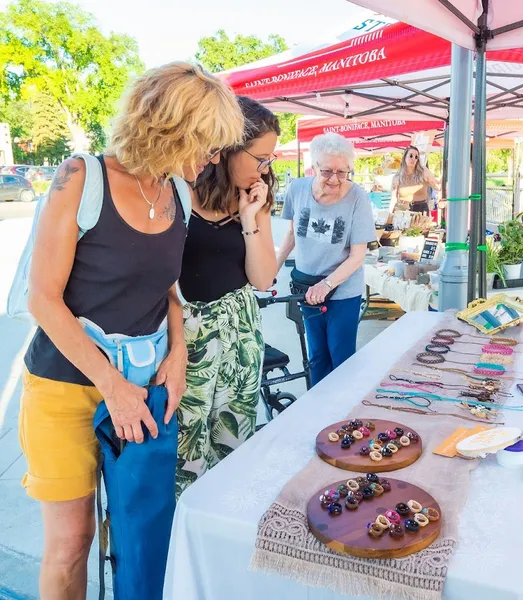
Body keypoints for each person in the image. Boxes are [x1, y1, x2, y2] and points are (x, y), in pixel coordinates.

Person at [19, 62, 244, 599]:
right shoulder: (82, 177)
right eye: (208, 145)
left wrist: (179, 354)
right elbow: (43, 300)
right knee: (71, 543)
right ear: (171, 130)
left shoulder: (179, 195)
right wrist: (111, 386)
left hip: (144, 386)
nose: (213, 160)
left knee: (140, 535)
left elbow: (168, 290)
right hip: (65, 385)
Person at [176, 97, 279, 495]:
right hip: (186, 337)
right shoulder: (179, 191)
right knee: (186, 452)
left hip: (239, 334)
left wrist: (251, 217)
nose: (265, 169)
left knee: (233, 441)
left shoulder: (255, 197)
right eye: (261, 158)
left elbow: (263, 277)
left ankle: (220, 521)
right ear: (229, 148)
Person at [276, 133, 376, 386]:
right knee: (317, 355)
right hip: (307, 287)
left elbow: (357, 257)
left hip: (342, 291)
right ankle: (317, 412)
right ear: (313, 168)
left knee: (341, 358)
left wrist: (327, 285)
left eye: (343, 172)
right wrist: (271, 269)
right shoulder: (297, 189)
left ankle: (342, 416)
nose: (335, 179)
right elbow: (291, 235)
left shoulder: (358, 197)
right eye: (327, 171)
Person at [390, 145, 441, 214]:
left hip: (421, 209)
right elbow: (393, 199)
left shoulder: (424, 172)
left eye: (416, 157)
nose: (413, 158)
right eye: (411, 156)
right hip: (402, 210)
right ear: (405, 157)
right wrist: (390, 214)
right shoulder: (397, 177)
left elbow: (437, 186)